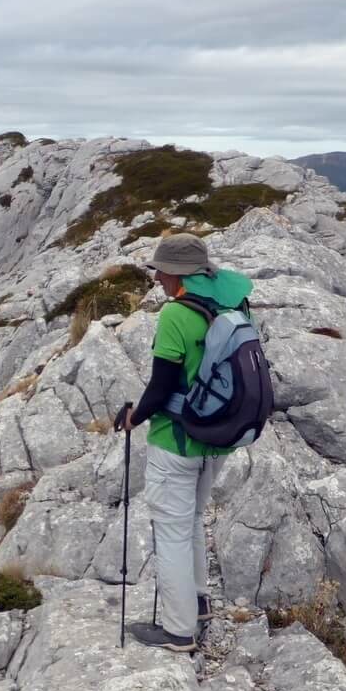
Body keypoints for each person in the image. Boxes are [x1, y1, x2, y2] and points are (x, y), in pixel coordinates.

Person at [116, 233, 253, 653]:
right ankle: (198, 602)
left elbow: (160, 388)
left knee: (171, 531)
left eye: (160, 271)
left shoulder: (176, 314)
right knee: (191, 519)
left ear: (175, 275)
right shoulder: (232, 301)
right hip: (219, 436)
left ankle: (178, 630)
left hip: (176, 439)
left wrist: (132, 418)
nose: (157, 278)